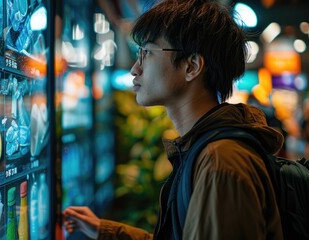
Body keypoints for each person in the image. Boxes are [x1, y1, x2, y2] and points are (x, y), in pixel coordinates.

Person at [62, 0, 284, 239]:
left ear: (192, 66)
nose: (135, 69)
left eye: (147, 52)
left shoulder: (221, 162)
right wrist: (104, 231)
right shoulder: (207, 148)